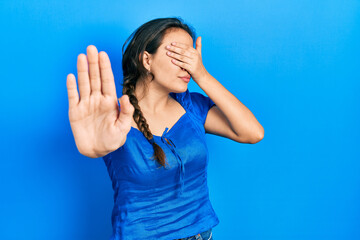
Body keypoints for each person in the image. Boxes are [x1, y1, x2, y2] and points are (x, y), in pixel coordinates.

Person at [66, 17, 264, 240]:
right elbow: (100, 144)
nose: (187, 65)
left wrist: (202, 75)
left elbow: (253, 132)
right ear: (146, 60)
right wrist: (96, 149)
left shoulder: (192, 107)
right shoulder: (113, 119)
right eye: (177, 54)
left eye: (191, 57)